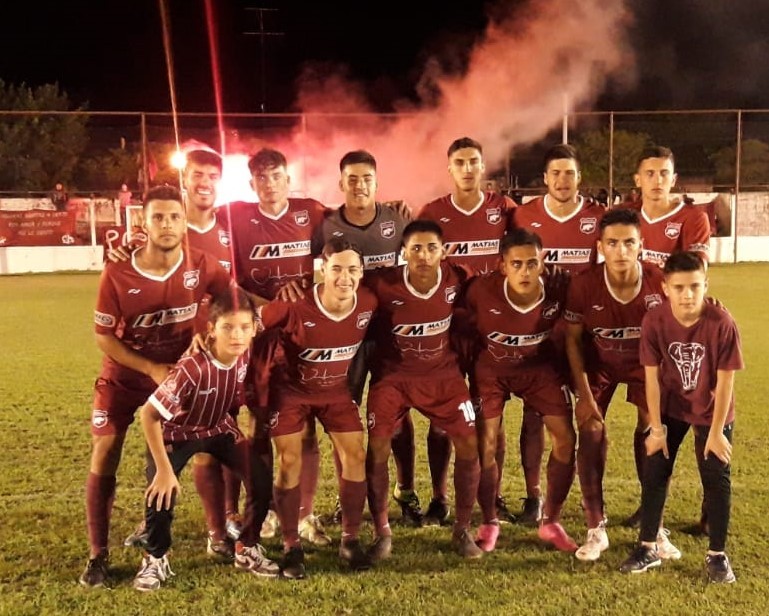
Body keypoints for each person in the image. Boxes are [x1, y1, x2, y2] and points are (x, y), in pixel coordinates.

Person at [79, 185, 233, 587]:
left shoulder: (202, 264)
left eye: (174, 217)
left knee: (189, 449)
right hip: (125, 375)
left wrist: (208, 332)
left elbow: (228, 301)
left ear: (185, 223)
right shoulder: (118, 272)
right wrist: (149, 367)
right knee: (105, 450)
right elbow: (103, 337)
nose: (167, 224)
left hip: (176, 377)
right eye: (158, 217)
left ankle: (213, 535)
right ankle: (97, 555)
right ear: (143, 223)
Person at [132, 288, 279, 591]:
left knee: (261, 477)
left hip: (218, 427)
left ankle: (247, 547)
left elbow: (273, 314)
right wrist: (163, 469)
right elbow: (149, 415)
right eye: (227, 327)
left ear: (254, 328)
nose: (237, 335)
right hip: (177, 433)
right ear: (211, 330)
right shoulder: (192, 368)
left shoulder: (245, 348)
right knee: (161, 493)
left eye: (244, 327)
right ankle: (155, 557)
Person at [310, 150, 421, 527]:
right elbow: (306, 269)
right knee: (345, 415)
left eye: (367, 178)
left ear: (377, 182)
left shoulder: (397, 219)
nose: (360, 185)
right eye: (352, 179)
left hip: (388, 335)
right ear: (341, 183)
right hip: (346, 338)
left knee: (399, 415)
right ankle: (348, 494)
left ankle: (406, 490)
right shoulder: (325, 225)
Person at [564, 207, 680, 562]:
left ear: (641, 244)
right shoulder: (584, 284)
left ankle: (655, 527)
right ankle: (595, 527)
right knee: (591, 429)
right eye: (612, 243)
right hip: (599, 364)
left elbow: (686, 316)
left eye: (629, 242)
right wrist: (584, 396)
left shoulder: (658, 281)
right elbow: (572, 340)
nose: (621, 250)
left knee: (653, 431)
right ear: (600, 246)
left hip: (646, 366)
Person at [227, 148, 330, 547]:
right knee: (259, 423)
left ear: (289, 180)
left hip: (302, 337)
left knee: (306, 424)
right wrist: (269, 305)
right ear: (251, 183)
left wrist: (396, 210)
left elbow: (352, 228)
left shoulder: (311, 212)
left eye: (276, 176)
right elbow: (196, 232)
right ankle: (264, 509)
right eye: (261, 178)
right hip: (259, 337)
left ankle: (304, 513)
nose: (269, 184)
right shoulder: (235, 216)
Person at [620, 251, 742, 584]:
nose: (687, 294)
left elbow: (726, 382)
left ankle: (717, 555)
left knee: (716, 475)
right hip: (672, 406)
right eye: (679, 287)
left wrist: (716, 432)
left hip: (711, 410)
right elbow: (651, 378)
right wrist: (656, 428)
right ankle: (647, 547)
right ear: (665, 288)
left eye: (694, 286)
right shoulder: (655, 321)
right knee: (655, 467)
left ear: (706, 285)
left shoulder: (721, 323)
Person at [364, 220, 482, 560]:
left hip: (442, 376)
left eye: (431, 248)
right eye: (416, 248)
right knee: (378, 445)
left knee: (469, 442)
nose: (424, 255)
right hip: (394, 377)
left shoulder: (458, 277)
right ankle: (382, 532)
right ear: (404, 252)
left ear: (443, 251)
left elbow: (487, 292)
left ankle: (462, 529)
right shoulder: (382, 283)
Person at [260, 239, 377, 578]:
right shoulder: (294, 305)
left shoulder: (368, 302)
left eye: (352, 269)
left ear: (362, 272)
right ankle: (291, 546)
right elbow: (249, 324)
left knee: (356, 453)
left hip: (335, 391)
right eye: (336, 269)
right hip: (292, 393)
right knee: (290, 459)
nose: (345, 277)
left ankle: (350, 540)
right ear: (322, 269)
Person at [418, 136, 517, 526]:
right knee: (441, 418)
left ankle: (494, 496)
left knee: (492, 416)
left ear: (483, 165)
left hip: (490, 329)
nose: (467, 168)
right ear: (450, 168)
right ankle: (439, 497)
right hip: (446, 329)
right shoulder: (432, 212)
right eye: (460, 162)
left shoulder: (504, 209)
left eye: (473, 161)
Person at [462, 229, 577, 553]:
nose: (525, 271)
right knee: (485, 442)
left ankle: (551, 521)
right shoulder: (480, 291)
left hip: (538, 370)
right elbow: (459, 322)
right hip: (492, 372)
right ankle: (489, 521)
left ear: (543, 263)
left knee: (566, 438)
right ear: (502, 266)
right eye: (516, 264)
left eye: (532, 263)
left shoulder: (559, 290)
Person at [510, 143, 605, 525]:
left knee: (592, 416)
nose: (563, 180)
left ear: (579, 177)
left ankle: (592, 501)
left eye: (570, 173)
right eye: (556, 173)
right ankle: (534, 496)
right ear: (545, 178)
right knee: (534, 415)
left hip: (584, 334)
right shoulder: (523, 215)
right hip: (541, 333)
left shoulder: (598, 216)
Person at [633, 145, 710, 267]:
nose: (658, 181)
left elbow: (696, 271)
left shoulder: (694, 218)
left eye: (664, 174)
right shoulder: (626, 218)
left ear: (673, 180)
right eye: (650, 174)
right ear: (638, 180)